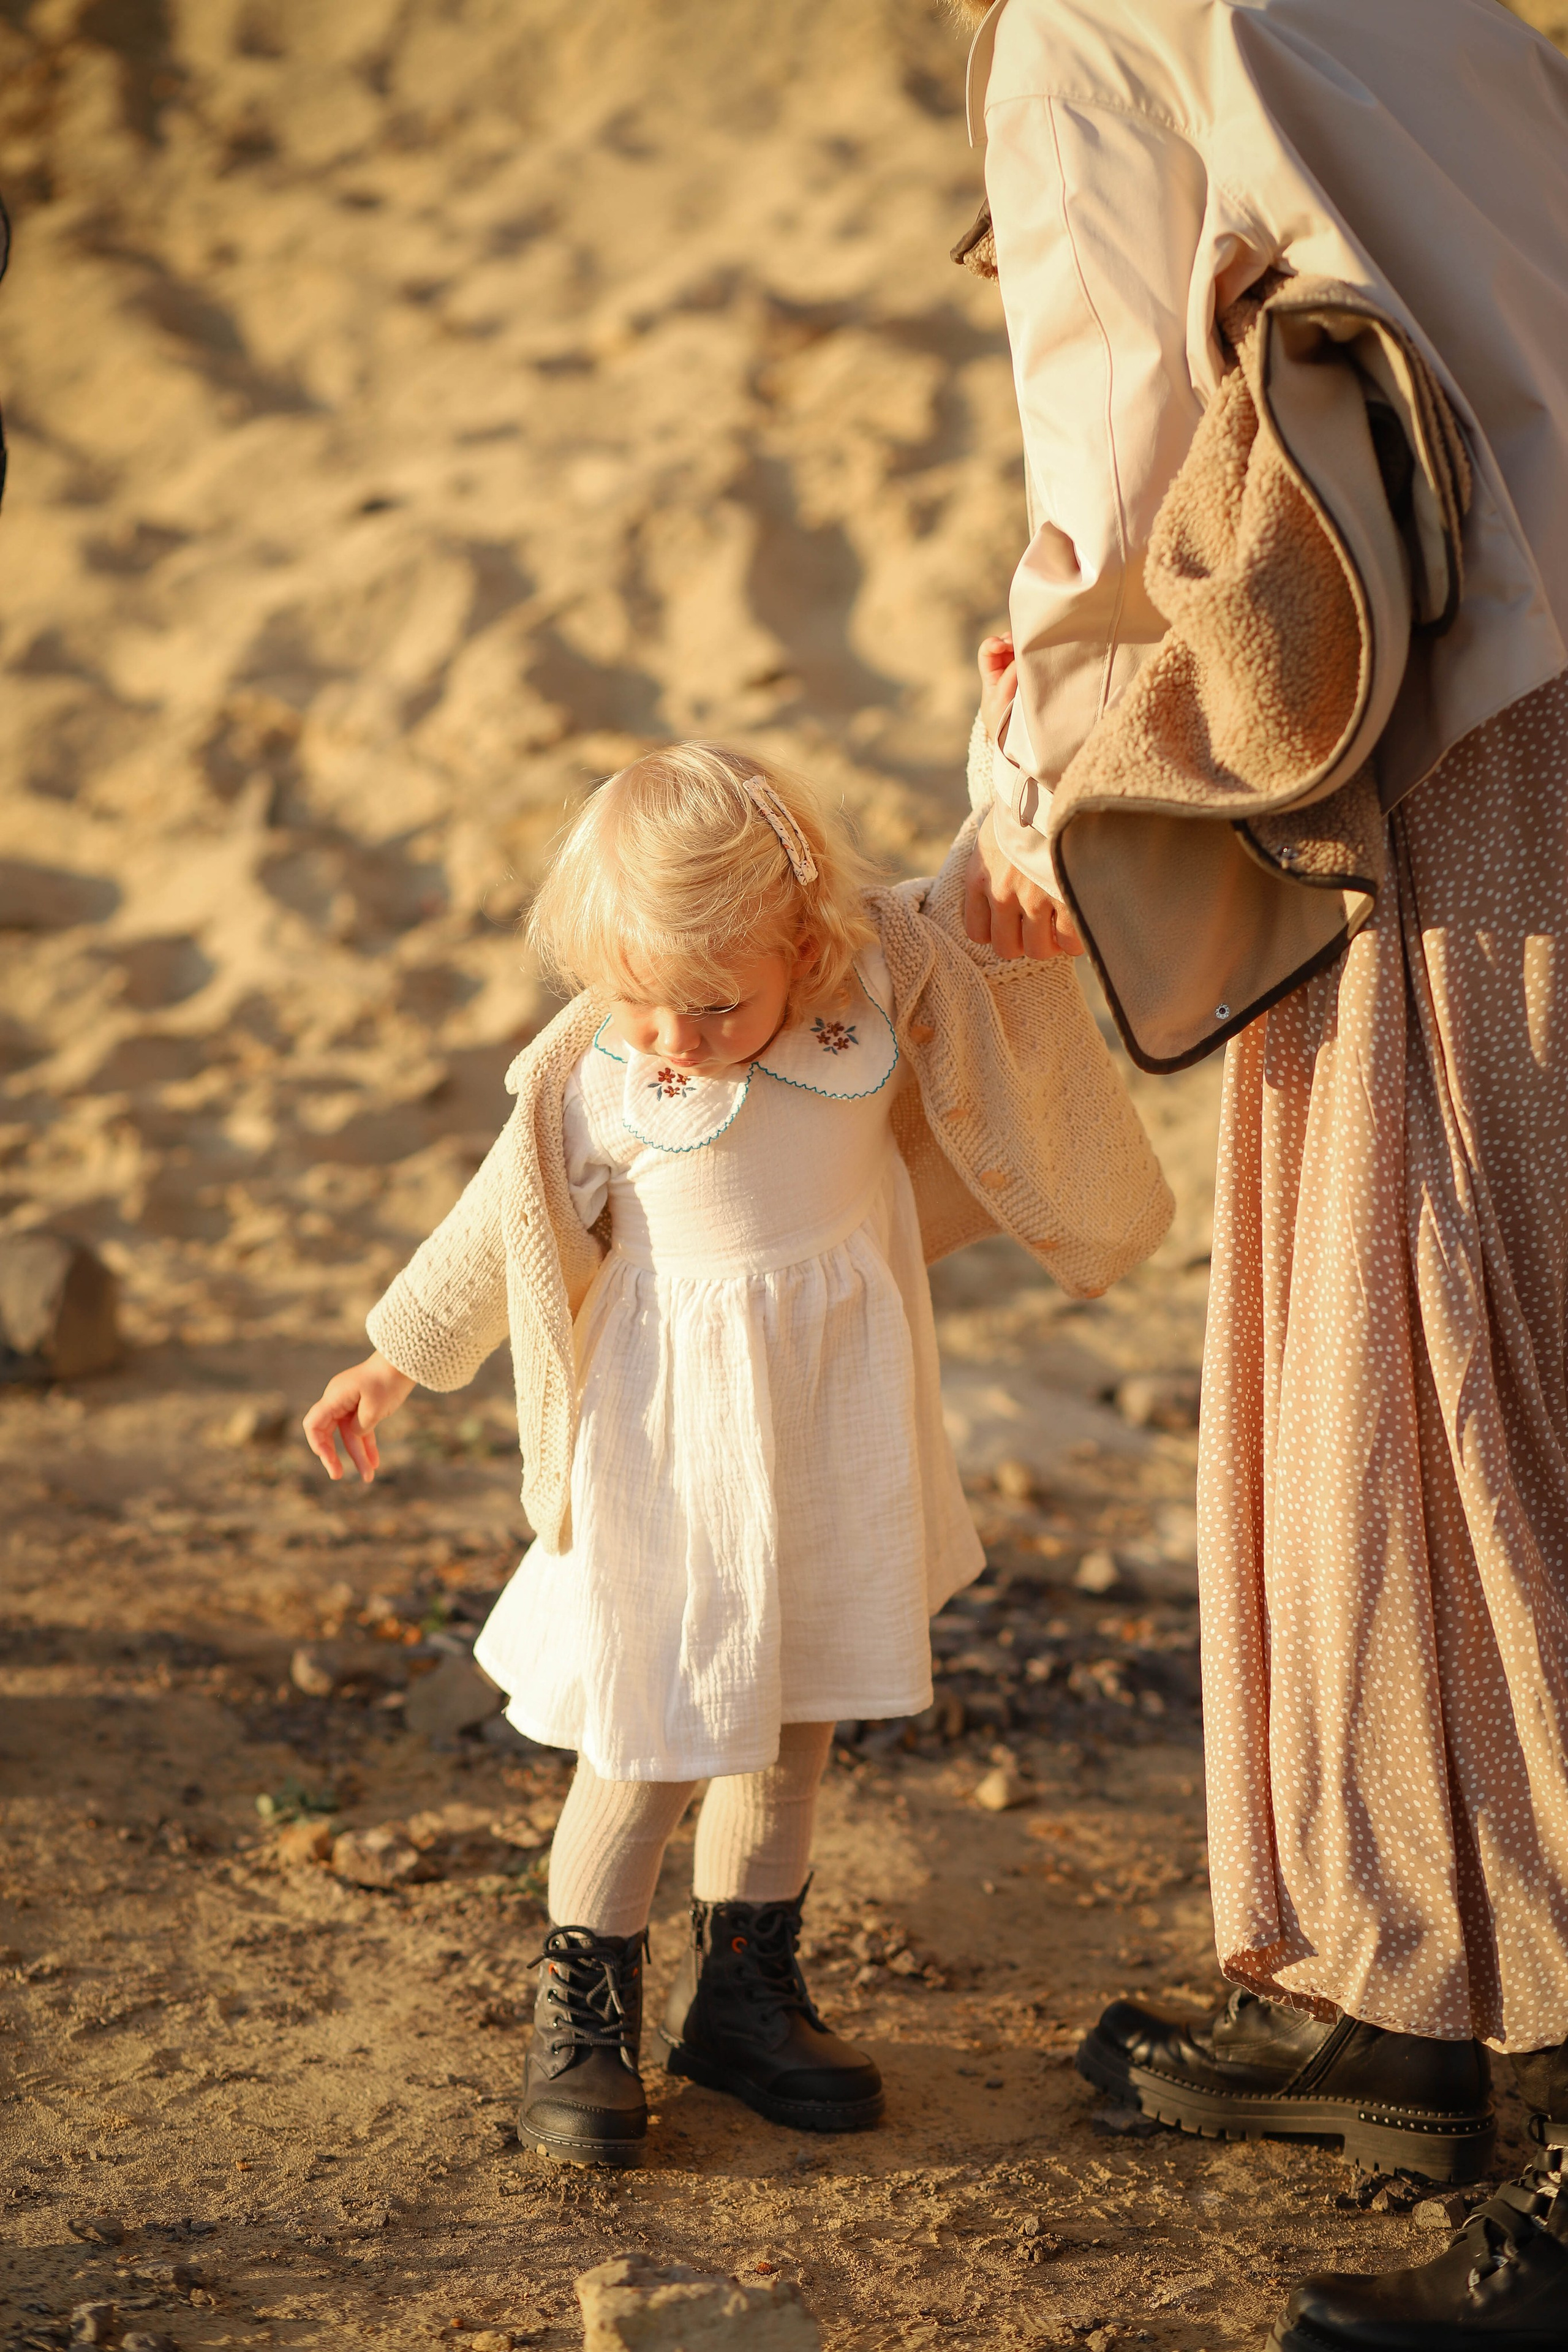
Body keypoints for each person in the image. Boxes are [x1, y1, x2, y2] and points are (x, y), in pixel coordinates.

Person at [952, 1, 1568, 2342]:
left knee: (1433, 1369)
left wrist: (1031, 791)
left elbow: (1116, 469)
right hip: (1531, 681)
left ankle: (1470, 2027)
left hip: (1420, 735)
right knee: (1459, 1349)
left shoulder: (1101, 22)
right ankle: (1412, 1981)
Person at [302, 739, 1170, 2168]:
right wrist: (396, 1358)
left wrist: (1022, 765)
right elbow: (497, 1224)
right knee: (647, 1740)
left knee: (792, 1724)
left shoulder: (868, 989)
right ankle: (583, 2012)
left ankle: (746, 2000)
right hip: (672, 1457)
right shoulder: (603, 1083)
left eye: (712, 1003)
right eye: (636, 1001)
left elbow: (971, 889)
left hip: (833, 1434)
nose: (674, 1040)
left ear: (803, 938)